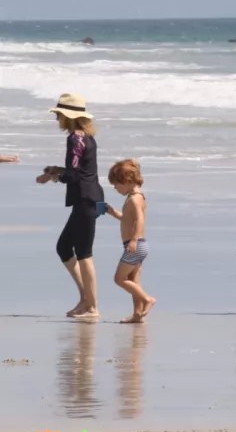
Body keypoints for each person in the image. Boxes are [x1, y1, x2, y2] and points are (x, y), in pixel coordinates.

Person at [36, 94, 104, 318]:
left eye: (58, 115)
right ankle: (86, 298)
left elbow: (74, 176)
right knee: (64, 247)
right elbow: (81, 172)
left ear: (68, 116)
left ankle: (92, 306)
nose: (57, 119)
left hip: (85, 199)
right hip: (91, 198)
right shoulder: (88, 137)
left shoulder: (75, 138)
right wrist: (56, 169)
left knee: (84, 254)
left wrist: (54, 176)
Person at [105, 159, 156, 324]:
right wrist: (112, 212)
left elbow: (140, 220)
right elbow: (126, 219)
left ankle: (147, 299)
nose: (115, 188)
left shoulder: (135, 199)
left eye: (116, 184)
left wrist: (134, 240)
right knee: (134, 281)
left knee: (119, 279)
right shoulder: (134, 197)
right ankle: (137, 314)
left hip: (135, 245)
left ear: (126, 181)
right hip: (137, 245)